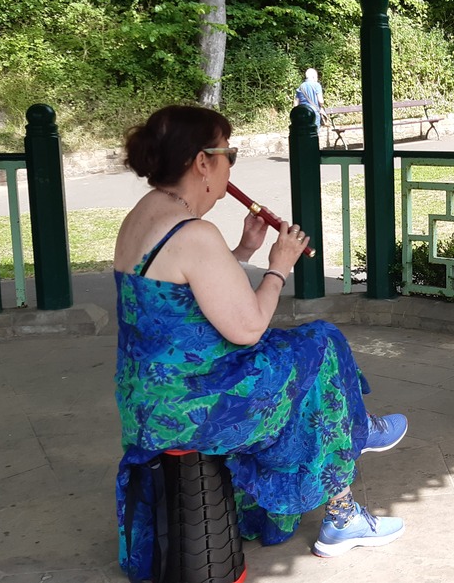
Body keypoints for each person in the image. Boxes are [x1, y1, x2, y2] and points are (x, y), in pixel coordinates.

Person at [112, 105, 407, 578]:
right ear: (202, 162)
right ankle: (345, 494)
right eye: (228, 154)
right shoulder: (194, 232)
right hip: (197, 401)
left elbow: (186, 292)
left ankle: (347, 449)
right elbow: (247, 326)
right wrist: (279, 265)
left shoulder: (143, 216)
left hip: (150, 398)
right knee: (321, 345)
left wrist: (245, 249)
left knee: (303, 360)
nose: (231, 166)